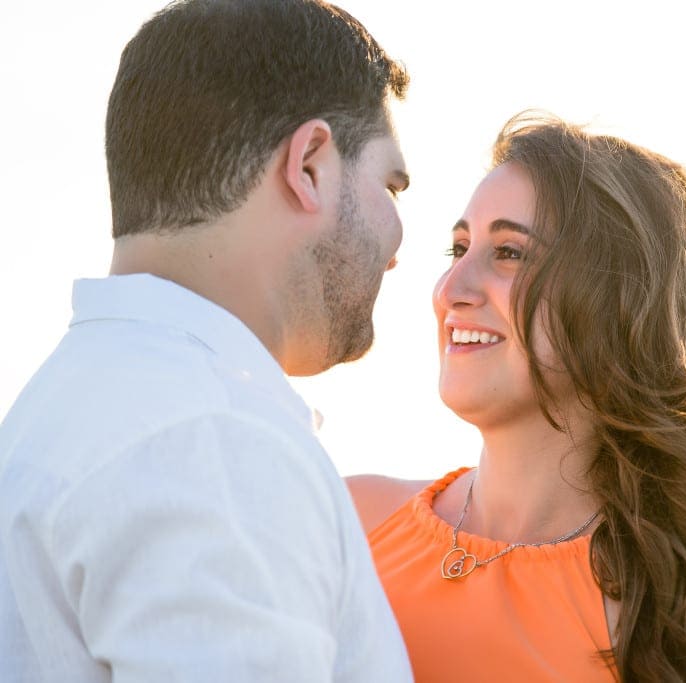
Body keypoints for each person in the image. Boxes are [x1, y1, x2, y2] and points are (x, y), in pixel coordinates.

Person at [349, 112, 686, 681]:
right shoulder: (349, 521)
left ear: (619, 302)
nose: (450, 290)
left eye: (508, 252)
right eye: (457, 250)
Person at [0, 1, 413, 681]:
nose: (398, 241)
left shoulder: (56, 411)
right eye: (391, 184)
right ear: (309, 164)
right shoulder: (214, 438)